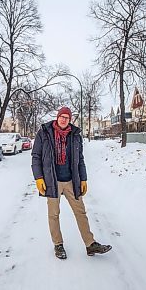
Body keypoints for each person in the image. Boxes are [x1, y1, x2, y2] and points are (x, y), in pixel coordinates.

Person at [31, 106, 112, 259]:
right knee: (54, 214)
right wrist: (39, 178)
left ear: (69, 120)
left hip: (70, 180)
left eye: (66, 117)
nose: (63, 119)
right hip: (52, 181)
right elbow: (36, 156)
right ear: (57, 117)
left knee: (80, 212)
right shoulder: (44, 133)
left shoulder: (75, 136)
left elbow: (80, 159)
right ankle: (58, 244)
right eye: (61, 116)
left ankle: (90, 244)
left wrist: (83, 179)